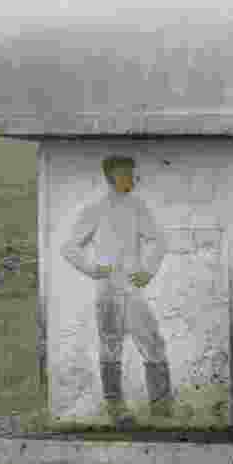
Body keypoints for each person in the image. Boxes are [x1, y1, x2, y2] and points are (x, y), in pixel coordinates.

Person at [61, 155, 171, 428]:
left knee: (153, 341)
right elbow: (70, 247)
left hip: (133, 289)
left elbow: (157, 240)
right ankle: (116, 408)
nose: (131, 179)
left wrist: (148, 270)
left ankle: (161, 405)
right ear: (110, 177)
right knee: (111, 346)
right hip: (108, 290)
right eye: (124, 175)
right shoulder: (95, 210)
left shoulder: (138, 207)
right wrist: (91, 268)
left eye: (132, 174)